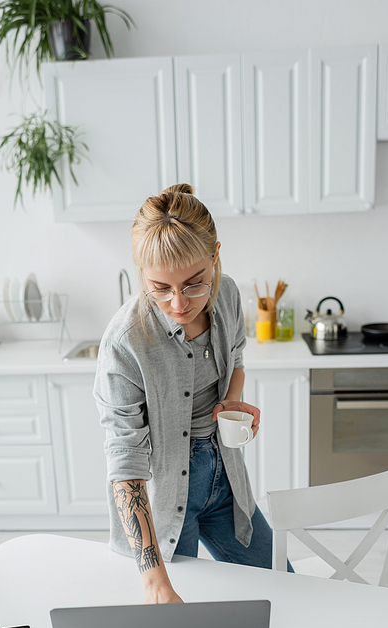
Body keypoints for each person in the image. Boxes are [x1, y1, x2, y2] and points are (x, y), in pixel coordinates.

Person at [94, 183, 292, 604]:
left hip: (227, 481)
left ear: (215, 255)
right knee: (178, 625)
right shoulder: (124, 343)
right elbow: (124, 462)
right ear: (140, 272)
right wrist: (154, 581)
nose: (179, 303)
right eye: (160, 287)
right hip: (165, 498)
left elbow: (236, 355)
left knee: (287, 587)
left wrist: (233, 400)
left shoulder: (229, 294)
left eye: (194, 283)